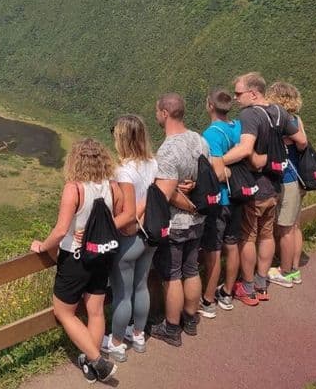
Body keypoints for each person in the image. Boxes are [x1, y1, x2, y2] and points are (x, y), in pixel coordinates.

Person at [30, 138, 124, 383]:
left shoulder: (75, 188)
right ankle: (91, 363)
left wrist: (42, 246)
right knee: (95, 311)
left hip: (76, 257)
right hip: (102, 254)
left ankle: (98, 362)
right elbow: (119, 216)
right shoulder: (113, 186)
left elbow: (61, 231)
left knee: (64, 311)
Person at [223, 72, 307, 304]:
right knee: (267, 234)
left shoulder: (250, 114)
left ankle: (248, 287)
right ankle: (262, 284)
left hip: (255, 187)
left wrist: (217, 163)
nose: (236, 98)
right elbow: (301, 139)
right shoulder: (279, 111)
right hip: (276, 185)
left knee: (249, 237)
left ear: (253, 92)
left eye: (239, 93)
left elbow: (244, 149)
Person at [149, 93, 210, 347]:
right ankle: (191, 318)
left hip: (177, 223)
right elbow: (210, 174)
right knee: (192, 269)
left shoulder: (167, 150)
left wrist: (154, 183)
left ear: (164, 113)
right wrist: (194, 188)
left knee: (172, 275)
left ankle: (172, 327)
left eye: (156, 111)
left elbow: (165, 193)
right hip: (199, 222)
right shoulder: (199, 140)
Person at [101, 115, 157, 360]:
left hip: (129, 238)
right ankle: (138, 335)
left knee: (123, 294)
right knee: (141, 285)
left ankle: (115, 342)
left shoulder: (123, 172)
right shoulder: (153, 163)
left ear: (122, 138)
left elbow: (128, 214)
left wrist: (101, 231)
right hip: (150, 235)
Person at [198, 88, 243, 317]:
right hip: (238, 197)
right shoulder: (237, 127)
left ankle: (207, 300)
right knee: (232, 244)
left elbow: (216, 173)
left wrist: (220, 166)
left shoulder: (211, 134)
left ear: (210, 106)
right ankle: (226, 293)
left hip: (221, 200)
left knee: (213, 250)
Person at [267, 81, 307, 286]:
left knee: (285, 228)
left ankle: (286, 272)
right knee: (295, 226)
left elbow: (302, 142)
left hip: (288, 180)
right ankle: (293, 267)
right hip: (298, 179)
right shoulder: (297, 119)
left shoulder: (283, 122)